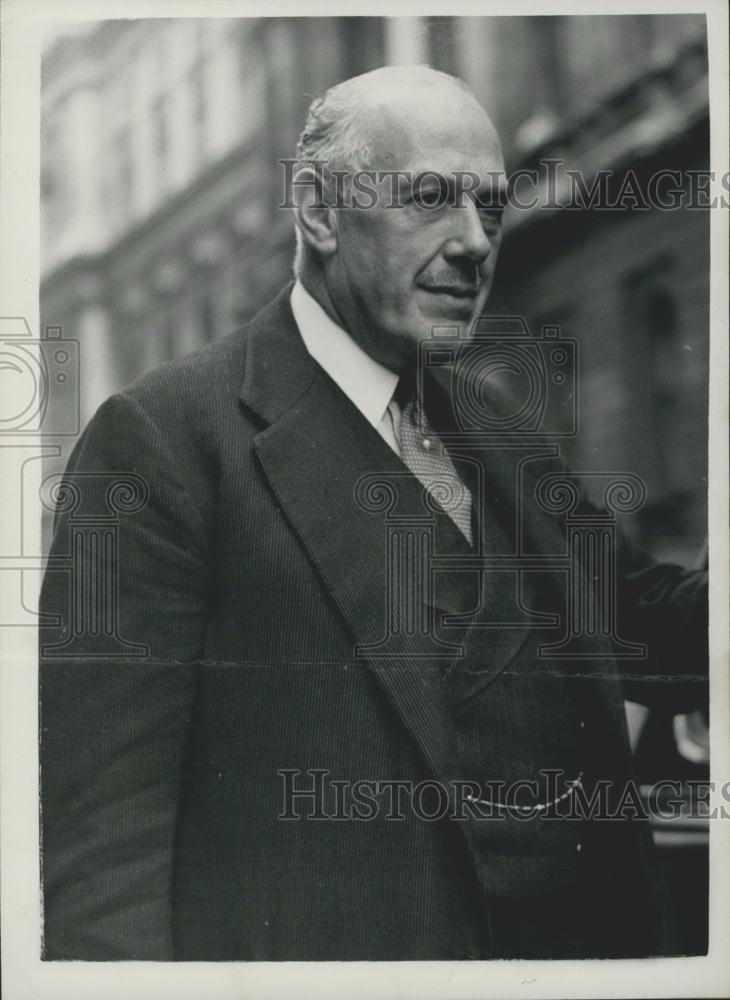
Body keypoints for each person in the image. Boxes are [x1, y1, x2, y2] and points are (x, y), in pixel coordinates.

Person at [39, 65, 708, 962]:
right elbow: (106, 861)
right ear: (318, 211)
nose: (474, 243)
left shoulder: (500, 429)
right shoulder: (163, 445)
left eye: (492, 208)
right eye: (430, 199)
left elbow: (654, 629)